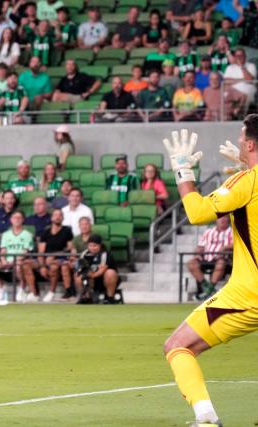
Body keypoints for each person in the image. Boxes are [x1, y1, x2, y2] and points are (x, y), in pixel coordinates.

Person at [160, 118, 258, 427]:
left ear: (251, 144)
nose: (239, 142)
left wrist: (182, 171)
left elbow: (198, 211)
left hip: (250, 293)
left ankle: (205, 417)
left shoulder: (246, 182)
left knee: (178, 346)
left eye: (242, 139)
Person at [24, 208, 74, 302]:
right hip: (45, 258)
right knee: (26, 264)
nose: (58, 217)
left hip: (60, 257)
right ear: (52, 218)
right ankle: (34, 293)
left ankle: (52, 292)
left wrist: (54, 255)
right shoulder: (45, 233)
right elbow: (41, 252)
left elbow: (69, 248)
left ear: (62, 218)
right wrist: (42, 266)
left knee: (54, 266)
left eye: (60, 215)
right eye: (55, 215)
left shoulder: (67, 231)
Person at [0, 210, 34, 303]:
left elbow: (25, 252)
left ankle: (22, 288)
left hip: (19, 261)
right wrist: (3, 259)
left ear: (23, 220)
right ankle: (1, 288)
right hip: (7, 261)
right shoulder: (5, 234)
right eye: (15, 218)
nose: (17, 220)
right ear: (11, 220)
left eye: (19, 218)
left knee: (18, 266)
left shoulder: (27, 234)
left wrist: (14, 260)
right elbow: (3, 250)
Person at [187, 215, 233, 301]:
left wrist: (225, 247)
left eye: (225, 218)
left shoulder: (232, 231)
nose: (222, 219)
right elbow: (200, 246)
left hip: (223, 259)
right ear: (216, 220)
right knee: (191, 263)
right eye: (220, 218)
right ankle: (209, 291)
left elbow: (234, 244)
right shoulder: (209, 232)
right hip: (207, 257)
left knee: (221, 263)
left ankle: (207, 292)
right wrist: (197, 254)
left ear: (228, 220)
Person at [74, 234, 121, 304]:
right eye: (90, 245)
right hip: (92, 280)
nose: (92, 248)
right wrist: (82, 274)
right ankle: (86, 297)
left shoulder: (105, 254)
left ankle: (110, 298)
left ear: (100, 245)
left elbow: (102, 271)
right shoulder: (84, 254)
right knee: (78, 276)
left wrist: (90, 275)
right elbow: (80, 267)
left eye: (95, 246)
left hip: (105, 281)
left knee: (110, 272)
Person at [222, 48, 257, 113]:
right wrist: (242, 79)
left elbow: (249, 79)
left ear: (245, 56)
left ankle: (237, 113)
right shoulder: (230, 67)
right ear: (234, 57)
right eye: (237, 56)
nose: (239, 58)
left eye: (241, 56)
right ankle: (233, 113)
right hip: (232, 93)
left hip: (247, 94)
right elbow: (226, 81)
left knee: (244, 96)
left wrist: (241, 66)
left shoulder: (251, 66)